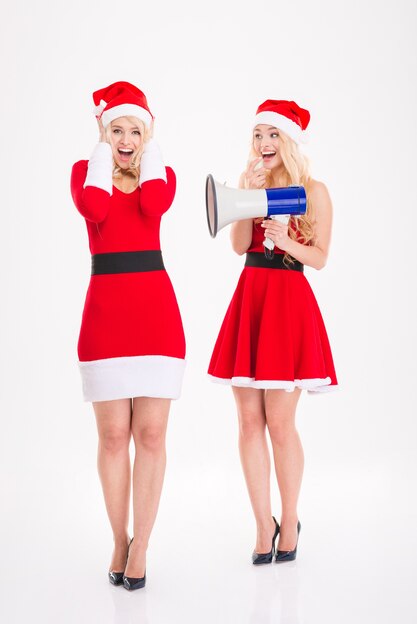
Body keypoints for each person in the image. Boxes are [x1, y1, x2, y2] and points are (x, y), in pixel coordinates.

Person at [208, 99, 337, 563]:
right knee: (247, 421)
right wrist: (247, 197)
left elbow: (321, 256)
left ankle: (290, 516)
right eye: (257, 135)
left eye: (272, 135)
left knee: (280, 424)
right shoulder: (249, 185)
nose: (263, 143)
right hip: (252, 296)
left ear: (289, 142)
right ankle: (263, 524)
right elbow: (240, 245)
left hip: (288, 303)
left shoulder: (314, 189)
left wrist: (287, 243)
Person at [70, 81, 186, 590]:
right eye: (115, 128)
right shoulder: (84, 174)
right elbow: (96, 210)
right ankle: (119, 537)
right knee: (113, 436)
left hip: (156, 315)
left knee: (152, 436)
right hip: (105, 317)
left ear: (147, 135)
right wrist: (101, 154)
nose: (125, 138)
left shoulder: (163, 176)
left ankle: (143, 544)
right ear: (102, 132)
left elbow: (154, 205)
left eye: (134, 130)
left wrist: (151, 154)